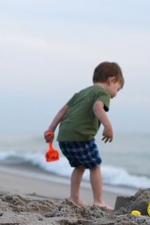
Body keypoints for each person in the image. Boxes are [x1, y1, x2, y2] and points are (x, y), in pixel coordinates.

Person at [44, 62, 124, 210]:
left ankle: (74, 198)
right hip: (81, 135)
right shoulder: (102, 93)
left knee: (79, 166)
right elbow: (97, 107)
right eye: (117, 89)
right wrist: (107, 125)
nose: (115, 94)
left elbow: (63, 110)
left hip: (65, 137)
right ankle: (98, 201)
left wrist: (51, 129)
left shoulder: (80, 93)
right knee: (95, 166)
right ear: (111, 80)